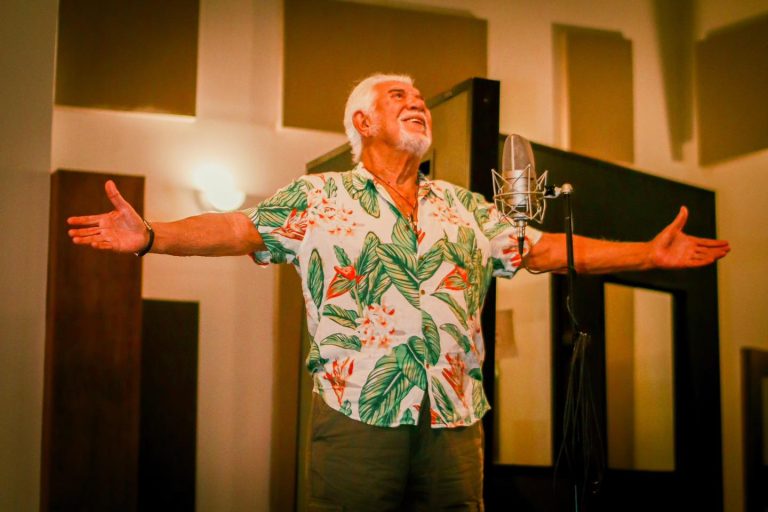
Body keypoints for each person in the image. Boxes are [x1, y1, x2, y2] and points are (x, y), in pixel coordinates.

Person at [68, 73, 730, 511]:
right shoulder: (319, 197)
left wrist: (648, 253)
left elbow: (545, 249)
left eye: (418, 96)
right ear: (362, 120)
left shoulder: (464, 208)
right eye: (396, 95)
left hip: (456, 424)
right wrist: (151, 235)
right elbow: (239, 228)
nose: (415, 101)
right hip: (358, 418)